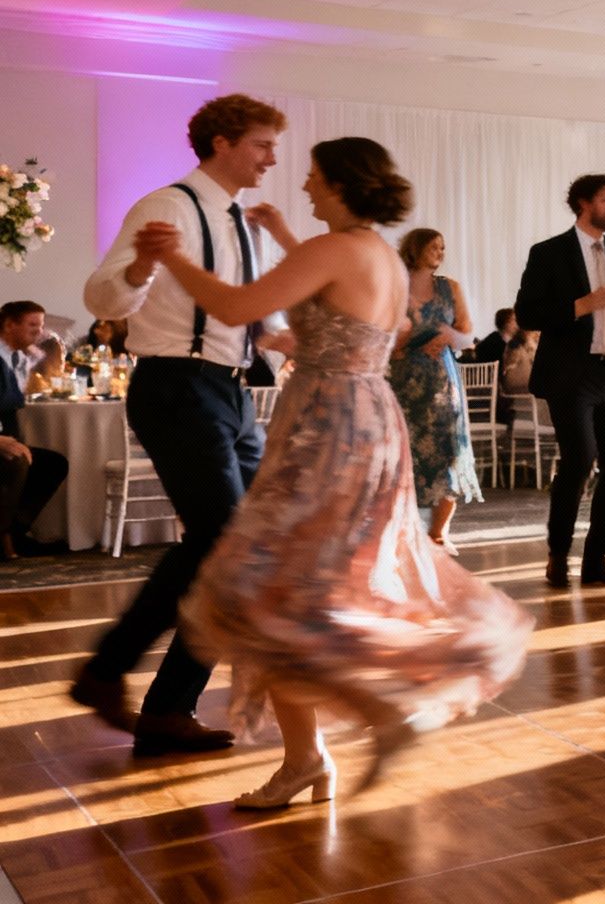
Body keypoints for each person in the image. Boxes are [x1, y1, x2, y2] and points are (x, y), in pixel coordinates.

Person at [152, 136, 530, 808]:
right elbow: (342, 313)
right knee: (300, 589)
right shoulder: (376, 253)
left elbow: (237, 308)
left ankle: (378, 714)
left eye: (315, 178)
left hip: (327, 424)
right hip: (368, 417)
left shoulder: (335, 250)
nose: (304, 186)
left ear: (344, 184)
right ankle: (311, 756)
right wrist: (286, 258)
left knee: (269, 592)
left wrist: (171, 256)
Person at [73, 93, 292, 756]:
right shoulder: (168, 206)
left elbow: (255, 313)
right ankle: (109, 670)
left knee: (240, 549)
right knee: (223, 541)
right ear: (223, 141)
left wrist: (295, 341)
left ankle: (166, 705)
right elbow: (102, 294)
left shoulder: (240, 221)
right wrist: (141, 265)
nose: (271, 157)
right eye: (261, 143)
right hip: (174, 386)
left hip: (230, 392)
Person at [513, 174, 605, 589]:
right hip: (571, 374)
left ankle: (597, 560)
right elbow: (528, 314)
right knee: (580, 458)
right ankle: (558, 554)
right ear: (584, 203)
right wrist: (581, 305)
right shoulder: (548, 252)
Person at [390, 228, 482, 552]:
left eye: (443, 247)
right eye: (433, 246)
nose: (440, 252)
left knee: (447, 453)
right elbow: (380, 334)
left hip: (442, 383)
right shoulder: (393, 285)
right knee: (402, 454)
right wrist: (405, 342)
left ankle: (439, 532)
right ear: (415, 248)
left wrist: (447, 336)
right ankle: (401, 532)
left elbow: (468, 334)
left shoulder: (450, 287)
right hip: (401, 382)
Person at [2, 301, 70, 559]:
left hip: (10, 439)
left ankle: (16, 533)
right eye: (32, 326)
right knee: (18, 462)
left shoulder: (14, 356)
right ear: (9, 325)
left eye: (41, 326)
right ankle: (5, 538)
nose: (39, 333)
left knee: (53, 464)